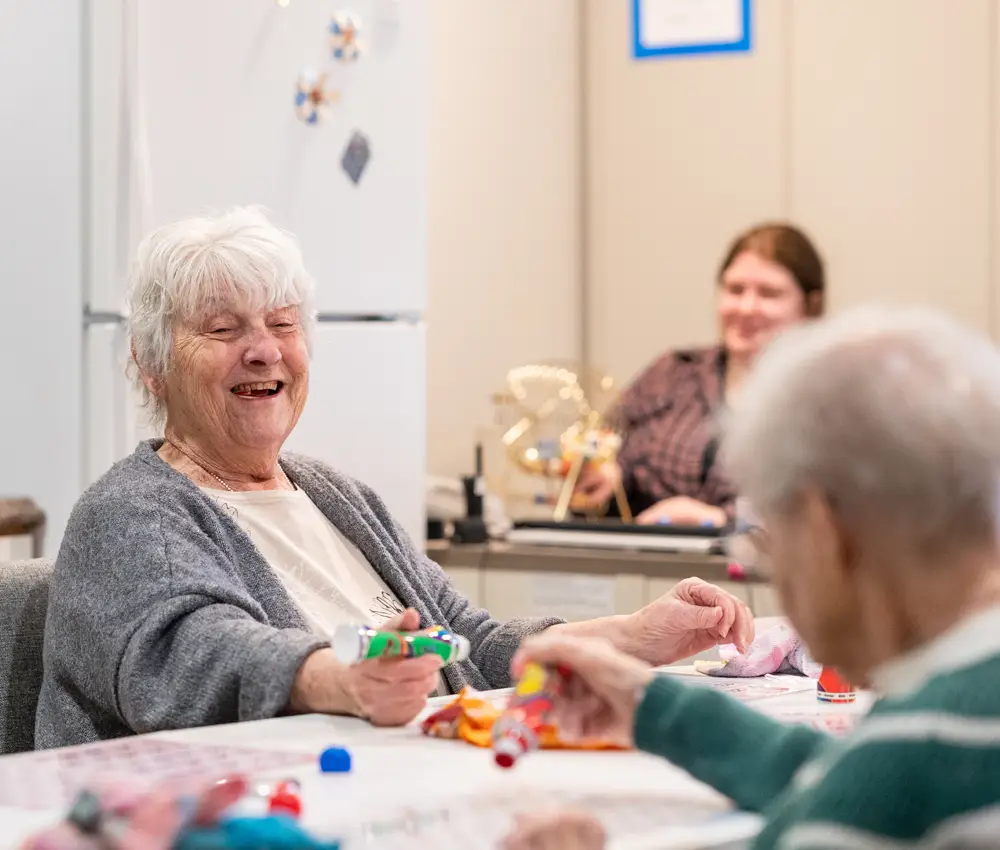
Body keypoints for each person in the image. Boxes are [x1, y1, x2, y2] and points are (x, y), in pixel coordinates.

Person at [35, 207, 753, 749]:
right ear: (150, 364)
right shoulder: (129, 515)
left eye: (283, 325)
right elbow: (195, 661)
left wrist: (634, 637)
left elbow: (473, 646)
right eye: (222, 330)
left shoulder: (334, 495)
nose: (263, 352)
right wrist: (341, 679)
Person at [505, 306, 1000, 850]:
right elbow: (839, 776)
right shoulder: (949, 728)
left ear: (823, 532)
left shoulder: (913, 755)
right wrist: (654, 705)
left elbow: (863, 789)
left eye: (767, 541)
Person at [573, 222, 824, 527]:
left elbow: (838, 507)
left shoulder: (831, 394)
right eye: (735, 290)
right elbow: (614, 447)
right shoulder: (673, 372)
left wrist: (721, 519)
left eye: (769, 294)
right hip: (646, 565)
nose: (746, 307)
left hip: (759, 569)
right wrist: (605, 478)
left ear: (810, 304)